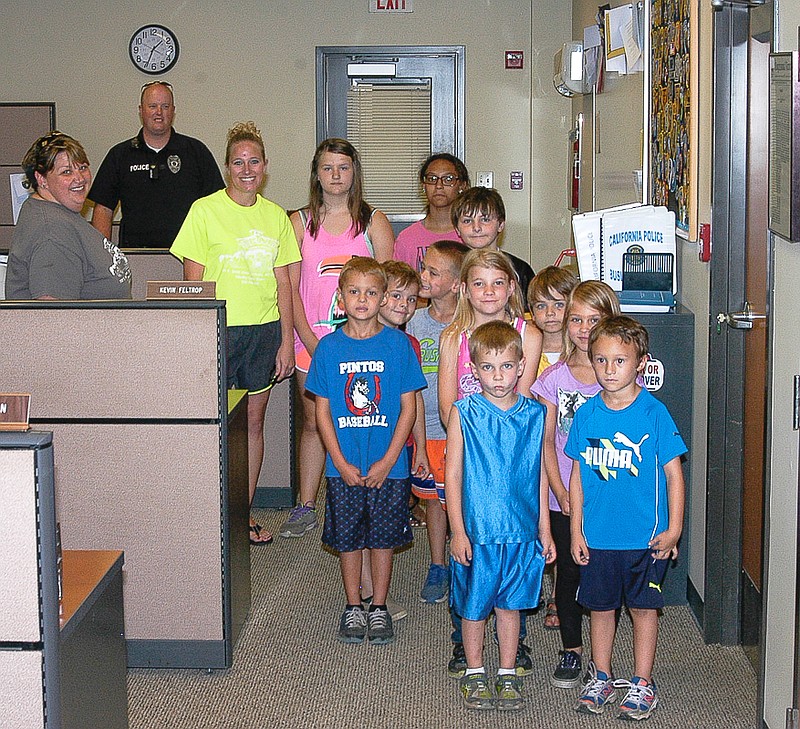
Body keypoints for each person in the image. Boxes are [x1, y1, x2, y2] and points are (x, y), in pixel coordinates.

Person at [170, 121, 300, 544]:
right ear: (227, 167)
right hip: (217, 331)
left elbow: (285, 285)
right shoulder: (204, 211)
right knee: (213, 426)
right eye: (238, 162)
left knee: (252, 426)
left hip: (263, 334)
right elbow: (193, 285)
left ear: (265, 167)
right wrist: (196, 342)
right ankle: (208, 518)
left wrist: (285, 341)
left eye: (254, 161)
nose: (247, 169)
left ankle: (241, 517)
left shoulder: (276, 216)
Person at [567, 316, 687, 720]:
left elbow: (674, 474)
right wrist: (575, 530)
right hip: (598, 536)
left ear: (641, 363)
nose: (608, 369)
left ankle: (642, 682)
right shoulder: (586, 414)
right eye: (600, 360)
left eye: (619, 360)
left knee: (643, 608)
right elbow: (577, 477)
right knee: (600, 608)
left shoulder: (654, 413)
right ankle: (601, 674)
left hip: (645, 539)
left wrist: (674, 530)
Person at [304, 256, 426, 645]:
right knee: (349, 539)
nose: (362, 300)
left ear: (383, 298)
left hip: (389, 466)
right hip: (344, 466)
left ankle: (379, 607)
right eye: (354, 292)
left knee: (383, 538)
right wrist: (337, 460)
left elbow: (409, 408)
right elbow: (322, 411)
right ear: (340, 298)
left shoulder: (398, 346)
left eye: (372, 293)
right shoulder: (328, 347)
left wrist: (390, 459)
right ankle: (353, 604)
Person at [279, 138, 394, 540]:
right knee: (313, 421)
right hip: (311, 342)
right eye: (328, 168)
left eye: (343, 168)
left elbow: (387, 286)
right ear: (317, 173)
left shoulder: (373, 221)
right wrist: (309, 340)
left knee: (362, 419)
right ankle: (306, 504)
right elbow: (289, 288)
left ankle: (364, 494)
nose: (335, 176)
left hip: (362, 343)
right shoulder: (298, 222)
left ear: (354, 173)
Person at [438, 248, 542, 677]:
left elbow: (527, 399)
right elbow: (447, 404)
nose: (488, 292)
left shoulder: (528, 335)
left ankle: (510, 644)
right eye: (478, 283)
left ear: (512, 288)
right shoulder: (453, 336)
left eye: (498, 282)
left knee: (514, 561)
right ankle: (468, 639)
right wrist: (471, 432)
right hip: (469, 447)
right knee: (470, 555)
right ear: (463, 288)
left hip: (512, 457)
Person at [445, 320, 555, 711]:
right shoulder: (464, 412)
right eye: (488, 368)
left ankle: (507, 673)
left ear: (523, 365)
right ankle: (475, 672)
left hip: (522, 532)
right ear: (474, 369)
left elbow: (539, 474)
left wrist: (545, 530)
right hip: (477, 533)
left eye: (507, 366)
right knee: (474, 608)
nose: (498, 376)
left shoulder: (535, 415)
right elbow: (453, 474)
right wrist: (457, 531)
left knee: (511, 607)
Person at [531, 280, 620, 690]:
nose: (584, 328)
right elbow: (546, 441)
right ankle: (572, 649)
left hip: (607, 495)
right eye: (576, 320)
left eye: (595, 319)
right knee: (568, 573)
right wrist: (561, 491)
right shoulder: (553, 378)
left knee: (603, 574)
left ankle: (602, 656)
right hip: (562, 493)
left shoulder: (616, 376)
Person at [406, 239, 468, 604]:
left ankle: (467, 562)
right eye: (423, 267)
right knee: (432, 501)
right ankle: (437, 563)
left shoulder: (467, 324)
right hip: (425, 428)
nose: (423, 276)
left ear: (457, 283)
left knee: (462, 498)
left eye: (432, 271)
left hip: (460, 432)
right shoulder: (413, 320)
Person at [89, 81, 224, 248]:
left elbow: (217, 206)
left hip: (189, 256)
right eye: (152, 106)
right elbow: (103, 209)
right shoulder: (120, 155)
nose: (159, 112)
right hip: (135, 256)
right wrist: (102, 256)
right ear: (141, 110)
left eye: (165, 106)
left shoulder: (196, 152)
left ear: (173, 111)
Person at [6, 131, 131, 300]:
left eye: (83, 167)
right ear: (41, 179)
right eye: (66, 172)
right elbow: (53, 316)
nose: (79, 178)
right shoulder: (52, 232)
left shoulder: (61, 212)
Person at [527, 265, 579, 633]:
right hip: (532, 448)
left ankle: (562, 596)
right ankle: (539, 590)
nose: (550, 315)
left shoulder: (577, 352)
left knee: (562, 524)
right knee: (536, 521)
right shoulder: (527, 345)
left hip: (564, 453)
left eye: (558, 306)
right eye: (541, 306)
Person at [451, 186, 534, 310]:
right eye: (467, 221)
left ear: (501, 225)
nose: (476, 228)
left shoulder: (520, 270)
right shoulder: (448, 269)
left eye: (485, 219)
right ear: (457, 229)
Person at [393, 153, 470, 272]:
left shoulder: (471, 235)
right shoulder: (407, 238)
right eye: (432, 179)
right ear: (423, 185)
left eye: (448, 179)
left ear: (462, 186)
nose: (439, 186)